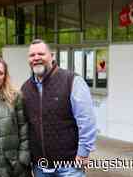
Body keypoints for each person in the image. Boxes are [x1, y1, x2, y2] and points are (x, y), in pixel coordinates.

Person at [21, 39, 97, 177]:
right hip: (40, 167)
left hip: (69, 166)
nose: (36, 58)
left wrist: (83, 153)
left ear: (52, 56)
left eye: (41, 54)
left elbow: (86, 120)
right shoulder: (25, 88)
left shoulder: (71, 81)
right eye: (32, 55)